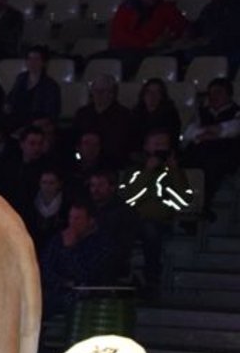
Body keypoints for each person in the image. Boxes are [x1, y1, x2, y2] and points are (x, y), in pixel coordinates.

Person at [120, 129, 194, 297]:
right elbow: (127, 198)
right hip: (131, 221)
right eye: (156, 144)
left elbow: (184, 200)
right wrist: (147, 171)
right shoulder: (135, 171)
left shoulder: (173, 172)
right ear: (146, 146)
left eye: (164, 144)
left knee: (151, 230)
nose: (160, 148)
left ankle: (152, 279)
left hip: (161, 222)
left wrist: (174, 171)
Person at [39, 201, 114, 319]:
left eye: (77, 219)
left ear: (90, 220)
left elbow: (87, 274)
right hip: (57, 291)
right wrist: (63, 283)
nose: (72, 222)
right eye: (71, 217)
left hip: (87, 296)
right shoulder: (59, 240)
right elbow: (46, 267)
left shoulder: (101, 244)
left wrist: (69, 249)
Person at [105, 0, 189, 79]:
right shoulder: (127, 9)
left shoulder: (165, 9)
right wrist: (146, 44)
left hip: (151, 51)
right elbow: (120, 35)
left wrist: (170, 38)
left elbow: (181, 27)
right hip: (126, 50)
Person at [182, 76, 240, 216]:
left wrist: (207, 133)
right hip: (198, 153)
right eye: (211, 93)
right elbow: (189, 133)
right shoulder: (201, 112)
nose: (214, 96)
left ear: (229, 94)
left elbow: (233, 129)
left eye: (218, 92)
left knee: (211, 167)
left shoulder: (236, 111)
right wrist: (215, 133)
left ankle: (201, 207)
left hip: (225, 155)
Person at [72, 76, 134, 170]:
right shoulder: (82, 113)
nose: (98, 94)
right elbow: (75, 138)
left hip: (113, 162)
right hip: (83, 162)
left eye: (103, 91)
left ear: (112, 93)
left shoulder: (124, 115)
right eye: (96, 91)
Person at [186, 0, 240, 70]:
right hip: (210, 50)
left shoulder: (237, 5)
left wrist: (210, 40)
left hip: (231, 51)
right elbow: (197, 27)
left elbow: (233, 31)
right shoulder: (209, 8)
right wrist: (189, 33)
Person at [3, 45, 61, 135]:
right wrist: (7, 105)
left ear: (44, 63)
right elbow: (11, 98)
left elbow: (51, 113)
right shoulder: (21, 78)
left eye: (36, 59)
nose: (32, 62)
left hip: (35, 121)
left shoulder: (50, 85)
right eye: (29, 59)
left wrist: (33, 125)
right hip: (17, 118)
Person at [130, 78, 183, 152]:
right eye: (149, 92)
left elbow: (171, 141)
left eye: (157, 92)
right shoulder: (135, 114)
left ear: (162, 96)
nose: (152, 95)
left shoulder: (170, 115)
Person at [24, 167, 69, 253]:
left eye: (51, 183)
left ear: (59, 184)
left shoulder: (66, 206)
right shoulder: (30, 204)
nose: (47, 187)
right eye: (44, 182)